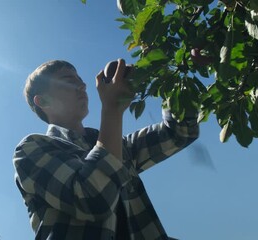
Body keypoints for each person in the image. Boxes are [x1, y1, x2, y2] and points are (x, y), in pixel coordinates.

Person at [13, 59, 199, 240]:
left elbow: (179, 132)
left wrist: (172, 74)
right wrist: (113, 109)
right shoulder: (31, 150)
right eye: (69, 81)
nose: (83, 86)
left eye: (81, 81)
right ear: (43, 101)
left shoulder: (119, 146)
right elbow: (92, 198)